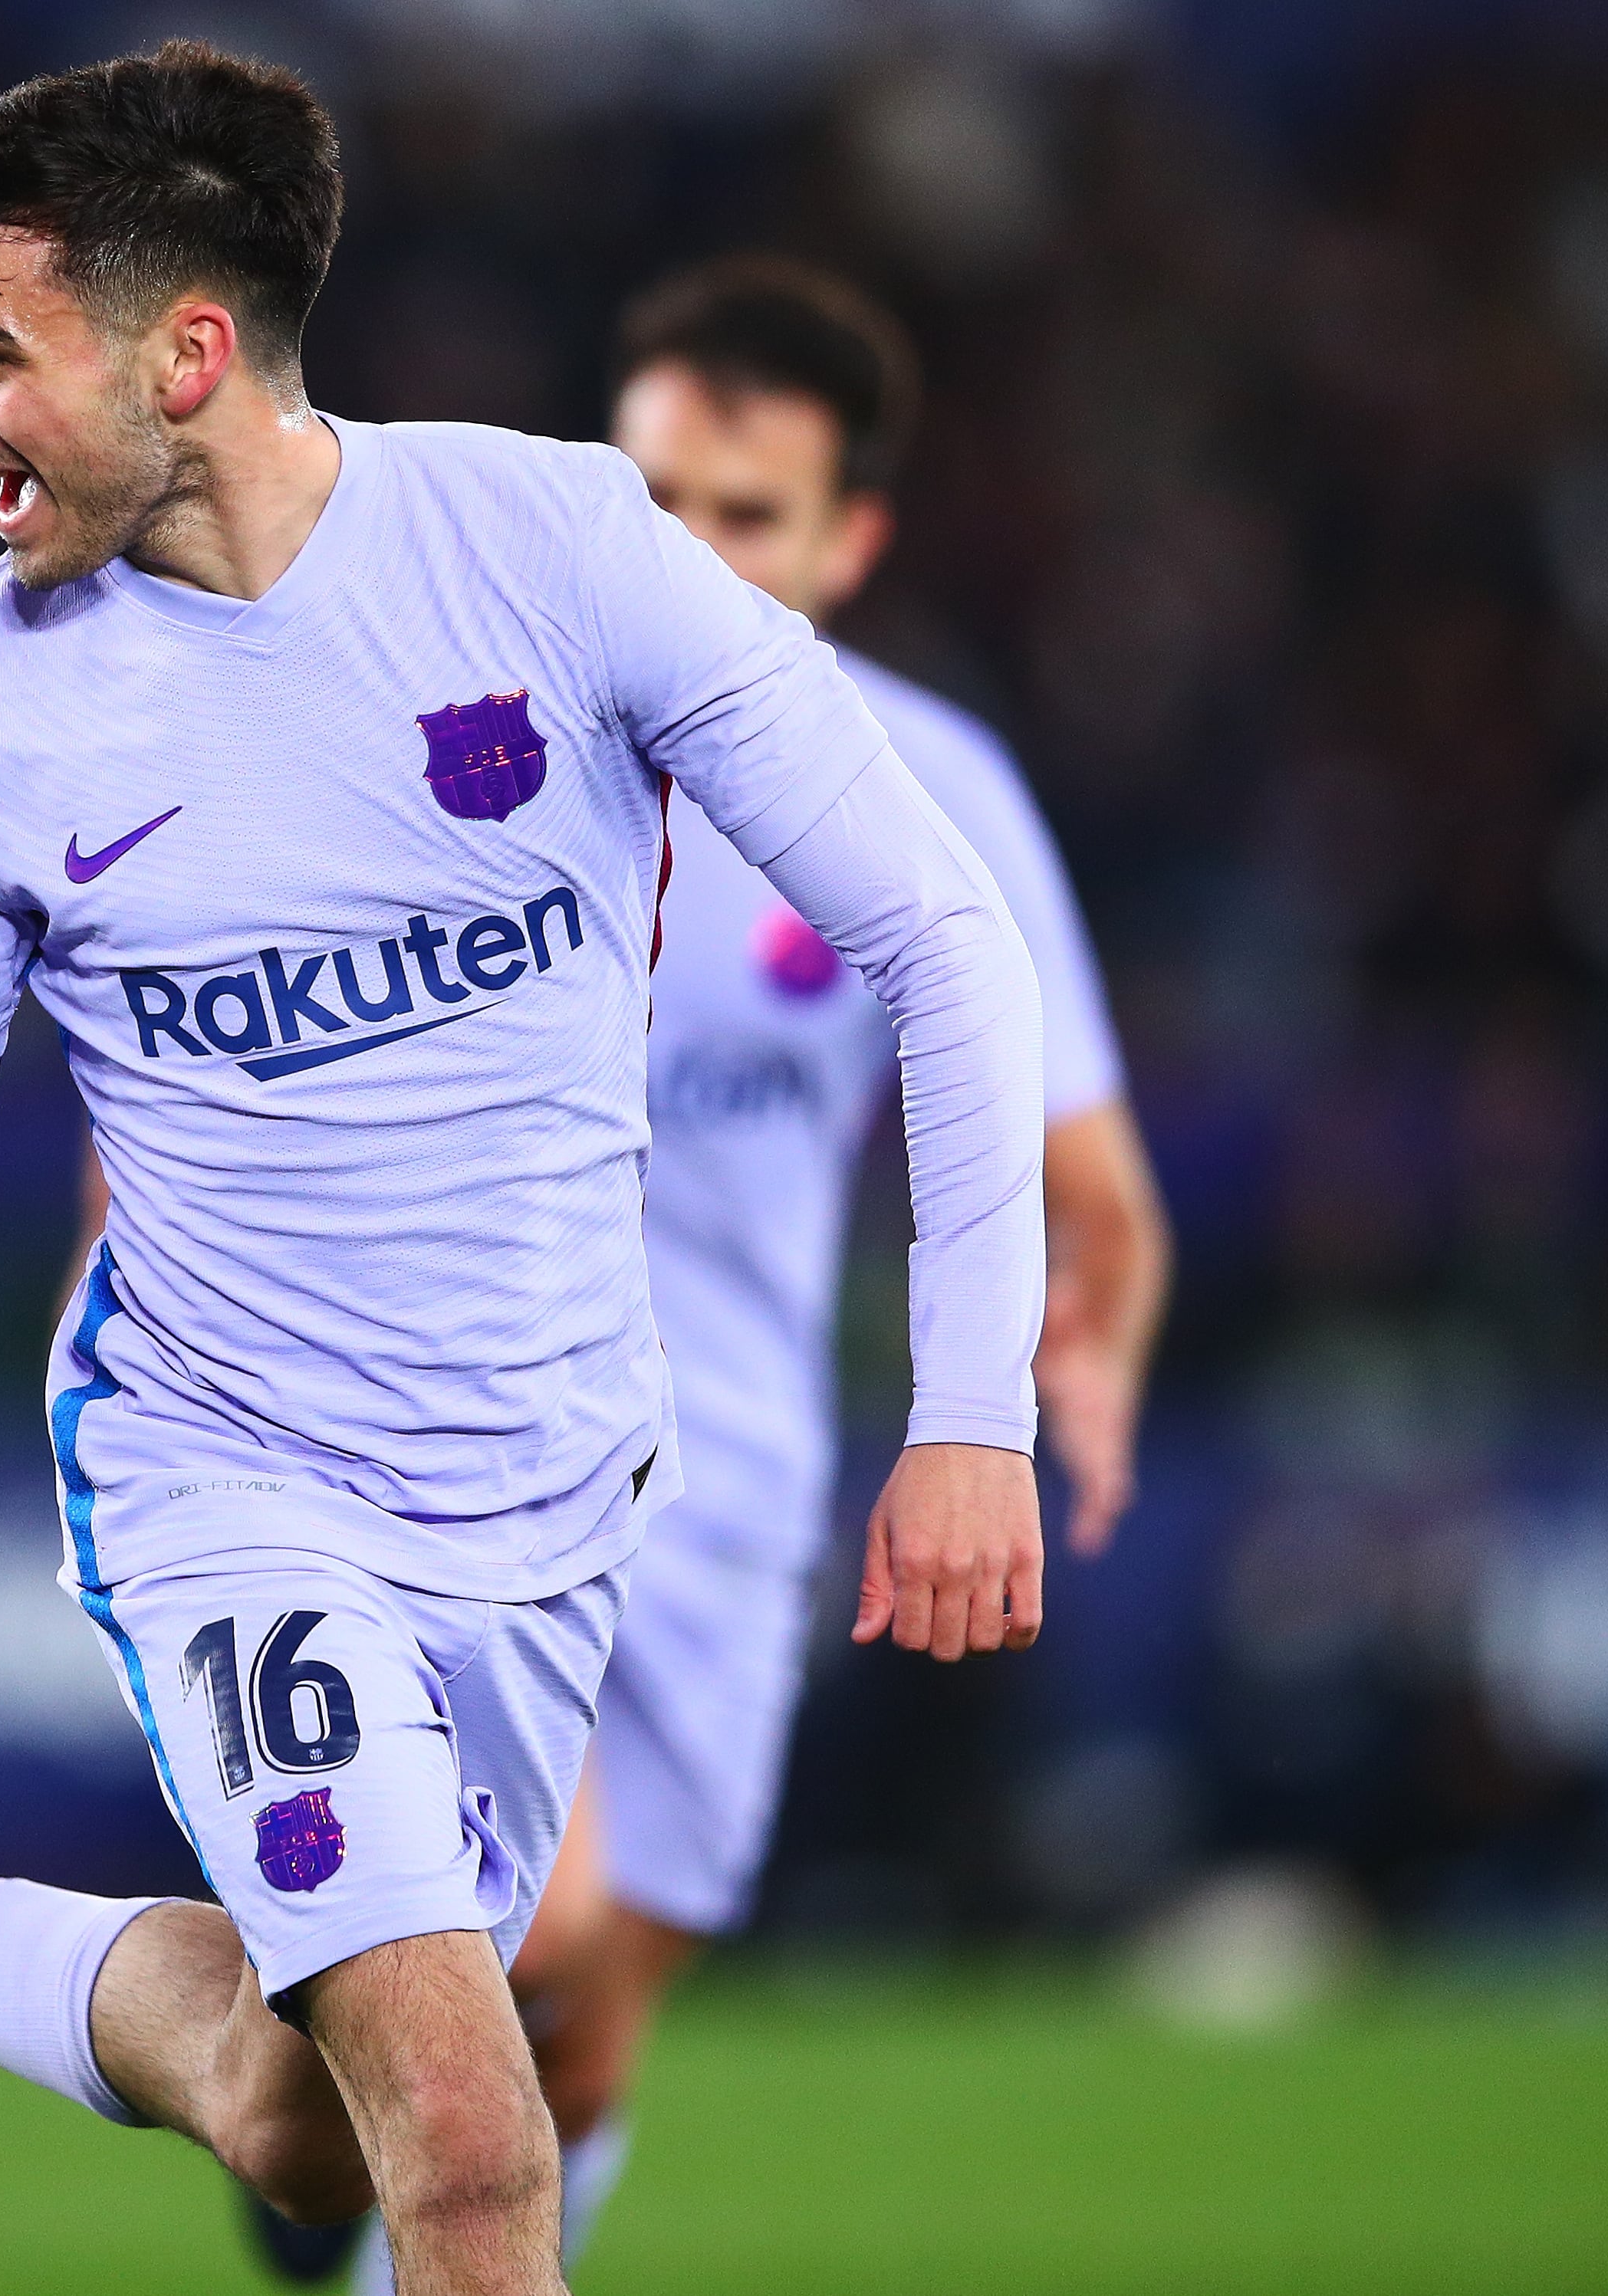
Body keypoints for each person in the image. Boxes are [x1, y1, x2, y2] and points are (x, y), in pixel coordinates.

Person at [0, 48, 1052, 2296]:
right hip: (228, 1470)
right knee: (476, 2156)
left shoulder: (557, 552)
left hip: (546, 1476)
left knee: (309, 2132)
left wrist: (971, 1405)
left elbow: (937, 932)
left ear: (186, 354)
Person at [199, 255, 1180, 2291]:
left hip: (731, 1504)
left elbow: (1096, 1189)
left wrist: (1077, 1347)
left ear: (852, 540)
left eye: (751, 519)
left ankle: (281, 2116)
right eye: (657, 505)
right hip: (444, 1461)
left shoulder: (930, 798)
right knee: (522, 1937)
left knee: (588, 2020)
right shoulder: (449, 752)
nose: (698, 558)